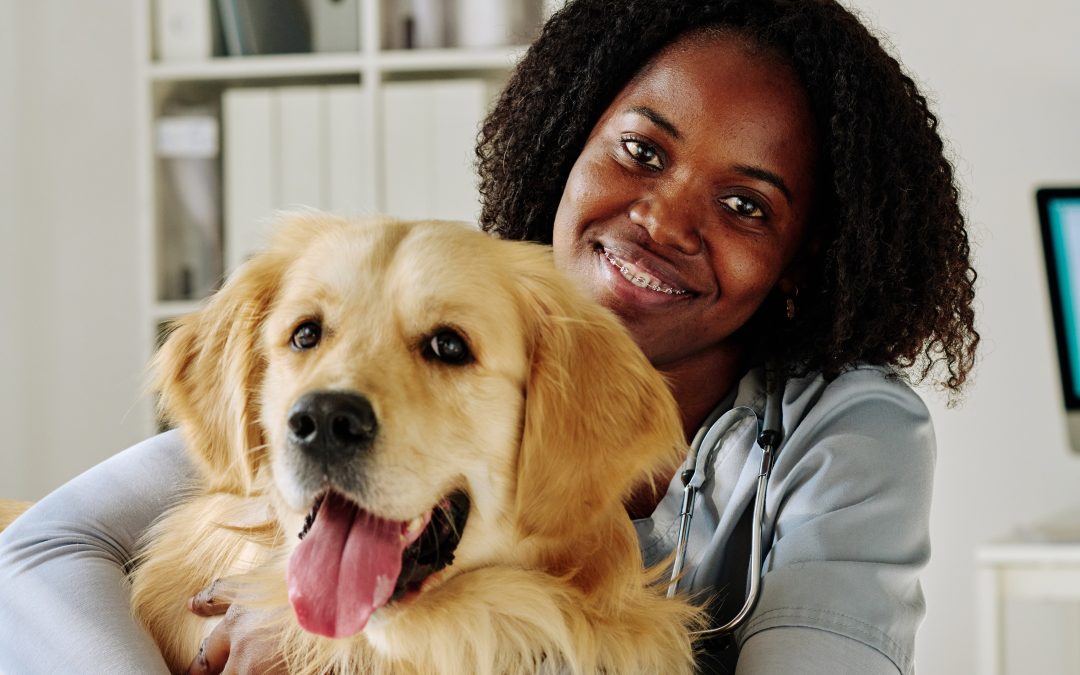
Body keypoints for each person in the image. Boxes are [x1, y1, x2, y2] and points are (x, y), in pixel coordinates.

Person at [0, 0, 977, 673]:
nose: (664, 221)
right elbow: (45, 544)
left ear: (807, 258)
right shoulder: (433, 299)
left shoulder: (848, 427)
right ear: (569, 143)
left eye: (745, 204)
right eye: (640, 150)